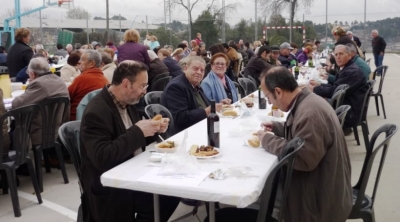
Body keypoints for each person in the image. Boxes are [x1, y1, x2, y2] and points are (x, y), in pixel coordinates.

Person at [80, 61, 180, 222]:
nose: (144, 91)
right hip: (111, 186)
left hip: (133, 171)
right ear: (126, 84)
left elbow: (131, 139)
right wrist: (139, 131)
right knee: (166, 197)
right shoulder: (97, 112)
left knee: (174, 189)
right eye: (142, 86)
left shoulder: (127, 102)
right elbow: (102, 157)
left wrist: (153, 130)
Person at [257, 66, 352, 222]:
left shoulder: (310, 113)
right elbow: (301, 135)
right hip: (324, 184)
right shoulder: (308, 101)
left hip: (318, 200)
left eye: (268, 97)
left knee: (261, 194)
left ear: (279, 92)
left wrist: (267, 140)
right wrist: (277, 128)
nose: (269, 101)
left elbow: (302, 159)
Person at [308, 45, 368, 132]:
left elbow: (334, 92)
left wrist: (313, 89)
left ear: (349, 55)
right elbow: (336, 87)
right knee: (315, 102)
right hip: (347, 105)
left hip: (348, 113)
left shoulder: (352, 72)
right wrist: (319, 86)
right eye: (336, 55)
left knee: (311, 109)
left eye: (341, 54)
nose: (338, 57)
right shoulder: (348, 68)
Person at [12, 57, 69, 146]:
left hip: (39, 132)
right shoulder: (60, 81)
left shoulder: (38, 84)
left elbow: (16, 104)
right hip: (57, 130)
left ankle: (22, 159)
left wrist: (30, 84)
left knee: (13, 130)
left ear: (33, 74)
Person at [161, 56, 224, 134]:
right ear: (185, 68)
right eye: (195, 68)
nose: (199, 72)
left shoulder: (195, 85)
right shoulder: (176, 86)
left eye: (202, 70)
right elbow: (180, 117)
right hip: (185, 133)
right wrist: (206, 112)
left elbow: (206, 106)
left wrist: (218, 105)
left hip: (201, 126)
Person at [68, 50, 109, 120]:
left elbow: (67, 96)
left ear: (92, 63)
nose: (79, 61)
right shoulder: (105, 81)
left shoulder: (81, 79)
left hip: (76, 121)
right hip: (97, 119)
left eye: (83, 59)